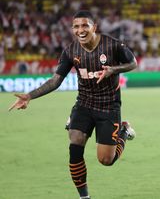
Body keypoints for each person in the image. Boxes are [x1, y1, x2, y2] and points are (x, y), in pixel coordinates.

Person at [9, 10, 137, 199]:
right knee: (75, 139)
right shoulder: (71, 51)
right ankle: (84, 197)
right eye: (76, 26)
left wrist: (113, 70)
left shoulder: (112, 45)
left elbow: (133, 63)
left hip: (109, 106)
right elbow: (55, 81)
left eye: (85, 25)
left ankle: (123, 131)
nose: (80, 30)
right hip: (84, 103)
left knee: (106, 160)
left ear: (94, 27)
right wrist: (29, 96)